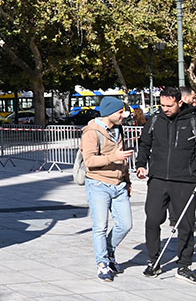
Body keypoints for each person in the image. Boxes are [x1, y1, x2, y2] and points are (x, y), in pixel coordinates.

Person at [136, 86, 196, 283]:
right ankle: (153, 260)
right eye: (162, 105)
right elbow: (144, 143)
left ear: (180, 102)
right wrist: (141, 165)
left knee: (186, 224)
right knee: (152, 220)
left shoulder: (193, 119)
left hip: (185, 180)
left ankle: (184, 265)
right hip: (158, 179)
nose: (165, 109)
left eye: (169, 106)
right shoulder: (155, 120)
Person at [81, 96, 133, 281]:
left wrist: (127, 182)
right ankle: (102, 263)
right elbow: (89, 161)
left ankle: (109, 252)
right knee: (100, 227)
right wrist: (113, 157)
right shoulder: (91, 132)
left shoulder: (119, 129)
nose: (123, 115)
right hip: (98, 184)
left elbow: (123, 160)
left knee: (126, 224)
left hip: (119, 185)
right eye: (120, 112)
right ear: (111, 112)